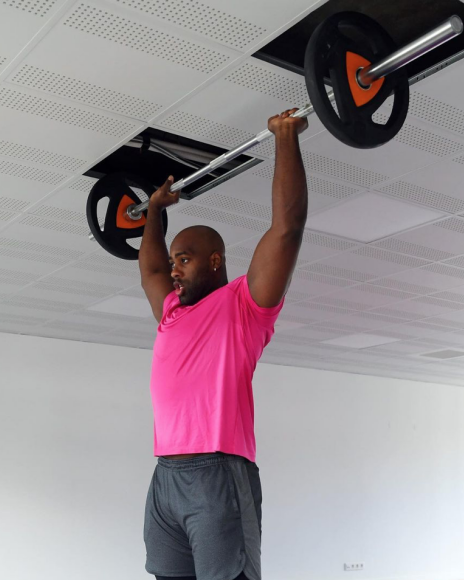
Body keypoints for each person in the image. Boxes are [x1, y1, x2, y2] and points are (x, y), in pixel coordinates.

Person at [139, 109, 309, 580]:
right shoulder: (172, 312)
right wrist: (155, 212)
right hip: (165, 476)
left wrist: (285, 139)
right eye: (175, 260)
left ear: (215, 261)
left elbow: (286, 230)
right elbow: (151, 269)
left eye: (185, 259)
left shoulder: (244, 306)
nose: (174, 269)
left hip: (218, 472)